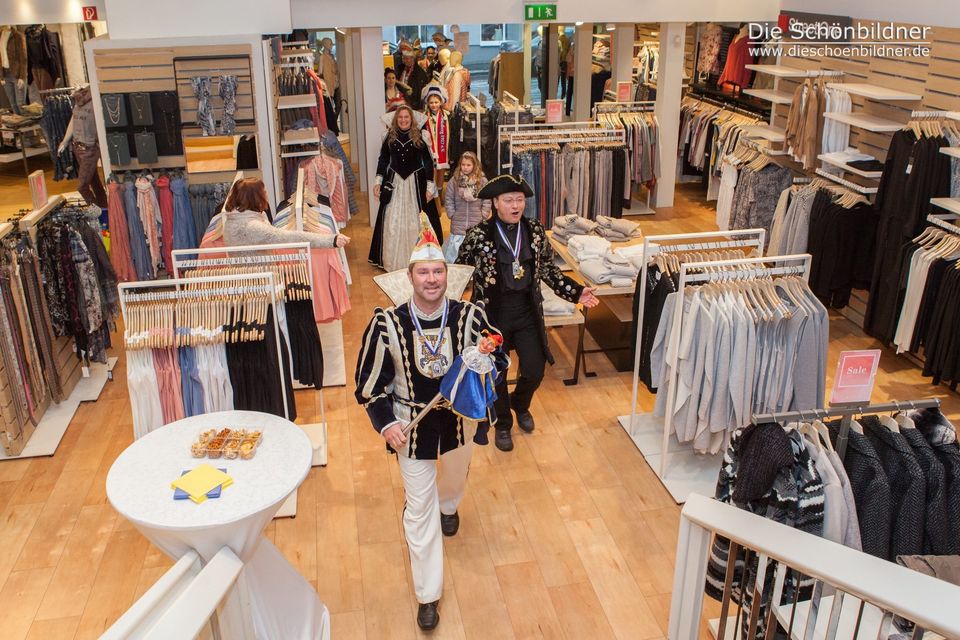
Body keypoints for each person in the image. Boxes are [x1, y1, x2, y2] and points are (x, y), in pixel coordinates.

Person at [355, 216, 507, 631]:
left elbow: (500, 357)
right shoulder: (386, 324)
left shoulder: (470, 316)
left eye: (438, 271)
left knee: (454, 482)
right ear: (410, 277)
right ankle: (428, 595)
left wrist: (487, 359)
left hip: (460, 425)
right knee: (418, 511)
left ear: (447, 274)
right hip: (411, 431)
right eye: (423, 272)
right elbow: (368, 387)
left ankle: (450, 505)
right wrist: (386, 424)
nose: (432, 279)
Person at [456, 174, 599, 451]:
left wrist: (576, 292)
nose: (515, 206)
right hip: (492, 317)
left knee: (534, 369)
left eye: (519, 200)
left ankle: (520, 403)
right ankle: (503, 423)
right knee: (496, 374)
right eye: (509, 200)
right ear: (495, 203)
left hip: (526, 312)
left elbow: (547, 269)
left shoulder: (534, 230)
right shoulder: (478, 235)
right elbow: (460, 272)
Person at [369, 105, 441, 272]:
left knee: (418, 220)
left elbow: (428, 162)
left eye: (406, 117)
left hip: (416, 183)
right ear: (396, 119)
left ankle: (417, 258)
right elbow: (383, 160)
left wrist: (430, 186)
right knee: (391, 222)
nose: (403, 120)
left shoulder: (421, 136)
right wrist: (378, 181)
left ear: (411, 119)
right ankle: (392, 259)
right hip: (394, 182)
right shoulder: (389, 136)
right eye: (400, 117)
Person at [221, 177, 350, 249]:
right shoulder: (252, 226)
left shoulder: (234, 220)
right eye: (263, 192)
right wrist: (331, 240)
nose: (266, 195)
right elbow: (291, 237)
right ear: (254, 197)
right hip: (260, 282)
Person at [443, 152, 489, 263]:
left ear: (474, 165)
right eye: (463, 165)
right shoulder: (454, 181)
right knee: (455, 253)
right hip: (458, 222)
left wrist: (484, 213)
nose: (465, 167)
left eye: (468, 165)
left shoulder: (482, 181)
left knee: (474, 251)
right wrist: (451, 213)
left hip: (476, 221)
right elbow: (448, 198)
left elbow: (486, 199)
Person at [421, 85, 450, 191]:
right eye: (431, 102)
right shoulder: (424, 117)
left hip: (442, 150)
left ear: (441, 102)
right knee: (431, 172)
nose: (434, 105)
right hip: (430, 150)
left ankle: (440, 191)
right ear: (428, 103)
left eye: (436, 102)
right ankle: (432, 193)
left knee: (441, 171)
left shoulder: (446, 116)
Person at [397, 42, 430, 110]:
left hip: (413, 104)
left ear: (412, 59)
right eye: (403, 58)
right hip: (400, 101)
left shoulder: (419, 72)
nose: (404, 61)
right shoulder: (400, 68)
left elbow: (420, 92)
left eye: (407, 58)